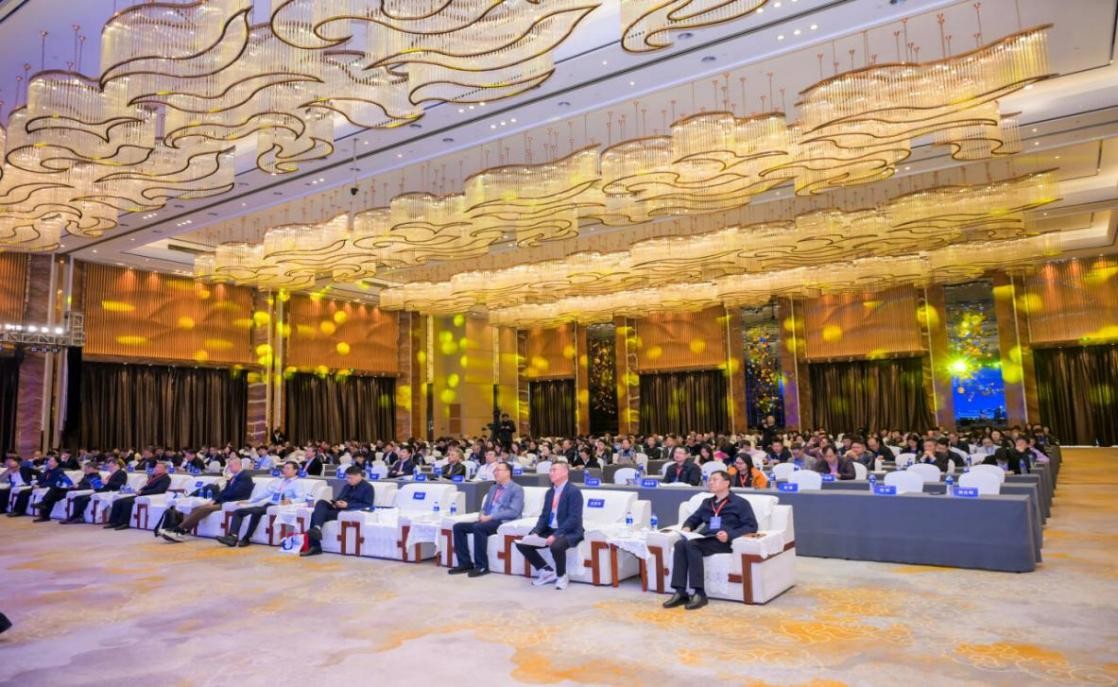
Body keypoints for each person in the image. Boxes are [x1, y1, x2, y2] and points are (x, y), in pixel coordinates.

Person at [663, 470, 757, 611]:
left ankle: (700, 593)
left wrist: (729, 535)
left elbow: (751, 526)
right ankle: (680, 592)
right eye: (710, 480)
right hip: (706, 538)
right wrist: (688, 527)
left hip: (724, 541)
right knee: (680, 544)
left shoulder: (740, 503)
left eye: (715, 479)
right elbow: (693, 519)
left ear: (726, 483)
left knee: (692, 545)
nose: (710, 482)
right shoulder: (707, 502)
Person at [448, 462, 524, 577]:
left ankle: (482, 566)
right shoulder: (493, 488)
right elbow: (484, 507)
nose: (495, 473)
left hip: (502, 521)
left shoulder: (517, 489)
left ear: (508, 473)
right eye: (495, 470)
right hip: (487, 520)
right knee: (458, 527)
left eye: (498, 470)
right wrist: (482, 515)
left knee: (478, 527)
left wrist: (491, 517)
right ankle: (465, 563)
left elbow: (514, 512)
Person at [515, 462, 583, 590]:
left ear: (565, 472)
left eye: (554, 470)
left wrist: (556, 535)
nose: (550, 473)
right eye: (550, 470)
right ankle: (547, 571)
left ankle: (562, 575)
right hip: (550, 529)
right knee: (523, 543)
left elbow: (573, 519)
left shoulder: (573, 491)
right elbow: (544, 516)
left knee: (556, 545)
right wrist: (536, 532)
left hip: (570, 531)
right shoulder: (550, 492)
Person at [159, 456, 255, 542]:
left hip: (233, 502)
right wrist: (214, 500)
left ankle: (178, 530)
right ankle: (182, 530)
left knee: (206, 508)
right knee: (197, 507)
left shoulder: (245, 477)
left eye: (231, 466)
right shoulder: (234, 477)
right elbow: (224, 492)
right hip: (225, 500)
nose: (229, 468)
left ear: (238, 465)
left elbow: (234, 493)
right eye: (229, 466)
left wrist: (218, 500)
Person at [217, 461, 304, 547]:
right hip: (268, 505)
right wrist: (250, 501)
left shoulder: (297, 483)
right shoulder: (279, 481)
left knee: (256, 512)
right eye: (284, 468)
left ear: (295, 471)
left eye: (288, 468)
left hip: (278, 507)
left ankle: (246, 538)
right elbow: (265, 493)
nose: (284, 470)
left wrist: (291, 501)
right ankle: (232, 537)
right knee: (238, 512)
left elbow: (302, 498)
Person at [302, 465, 375, 556]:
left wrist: (348, 505)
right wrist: (335, 502)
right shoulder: (347, 486)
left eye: (350, 478)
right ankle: (317, 529)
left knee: (315, 514)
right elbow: (339, 498)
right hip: (339, 508)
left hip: (349, 511)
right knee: (321, 502)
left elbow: (367, 505)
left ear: (358, 476)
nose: (348, 480)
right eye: (347, 478)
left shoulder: (368, 488)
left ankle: (315, 545)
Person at [104, 462, 171, 530]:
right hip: (142, 494)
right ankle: (113, 522)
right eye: (156, 467)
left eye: (159, 467)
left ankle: (124, 523)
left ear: (165, 469)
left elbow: (159, 490)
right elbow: (147, 486)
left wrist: (142, 492)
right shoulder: (155, 476)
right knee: (118, 501)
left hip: (150, 496)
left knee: (127, 502)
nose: (156, 469)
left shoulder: (166, 478)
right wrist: (140, 490)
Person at [64, 458, 128, 523]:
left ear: (117, 465)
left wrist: (107, 482)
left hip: (109, 492)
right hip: (102, 491)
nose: (109, 468)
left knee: (83, 498)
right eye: (109, 467)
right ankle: (77, 517)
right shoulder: (112, 474)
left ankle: (76, 517)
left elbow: (121, 485)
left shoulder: (121, 473)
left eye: (111, 466)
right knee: (78, 498)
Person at [32, 456, 78, 522]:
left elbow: (56, 483)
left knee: (53, 489)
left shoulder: (60, 471)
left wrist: (41, 486)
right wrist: (37, 484)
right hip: (53, 492)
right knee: (51, 496)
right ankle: (44, 515)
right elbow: (41, 480)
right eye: (49, 460)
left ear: (57, 463)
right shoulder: (48, 471)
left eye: (51, 461)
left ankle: (43, 506)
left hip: (61, 491)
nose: (49, 462)